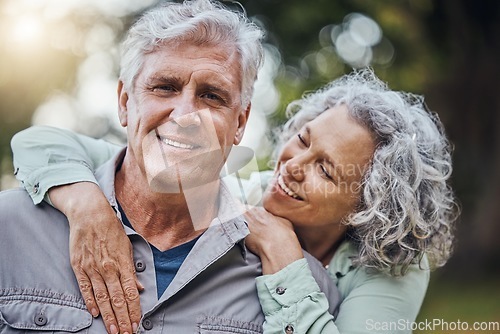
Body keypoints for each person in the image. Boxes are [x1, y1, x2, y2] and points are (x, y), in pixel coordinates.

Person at [10, 68, 459, 333]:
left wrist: (284, 257)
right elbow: (40, 142)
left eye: (325, 169)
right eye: (302, 139)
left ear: (370, 206)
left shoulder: (396, 267)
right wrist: (86, 206)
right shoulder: (241, 190)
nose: (293, 165)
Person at [0, 0, 340, 333]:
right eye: (164, 87)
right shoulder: (10, 229)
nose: (185, 116)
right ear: (124, 102)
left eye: (211, 96)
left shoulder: (305, 292)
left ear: (240, 122)